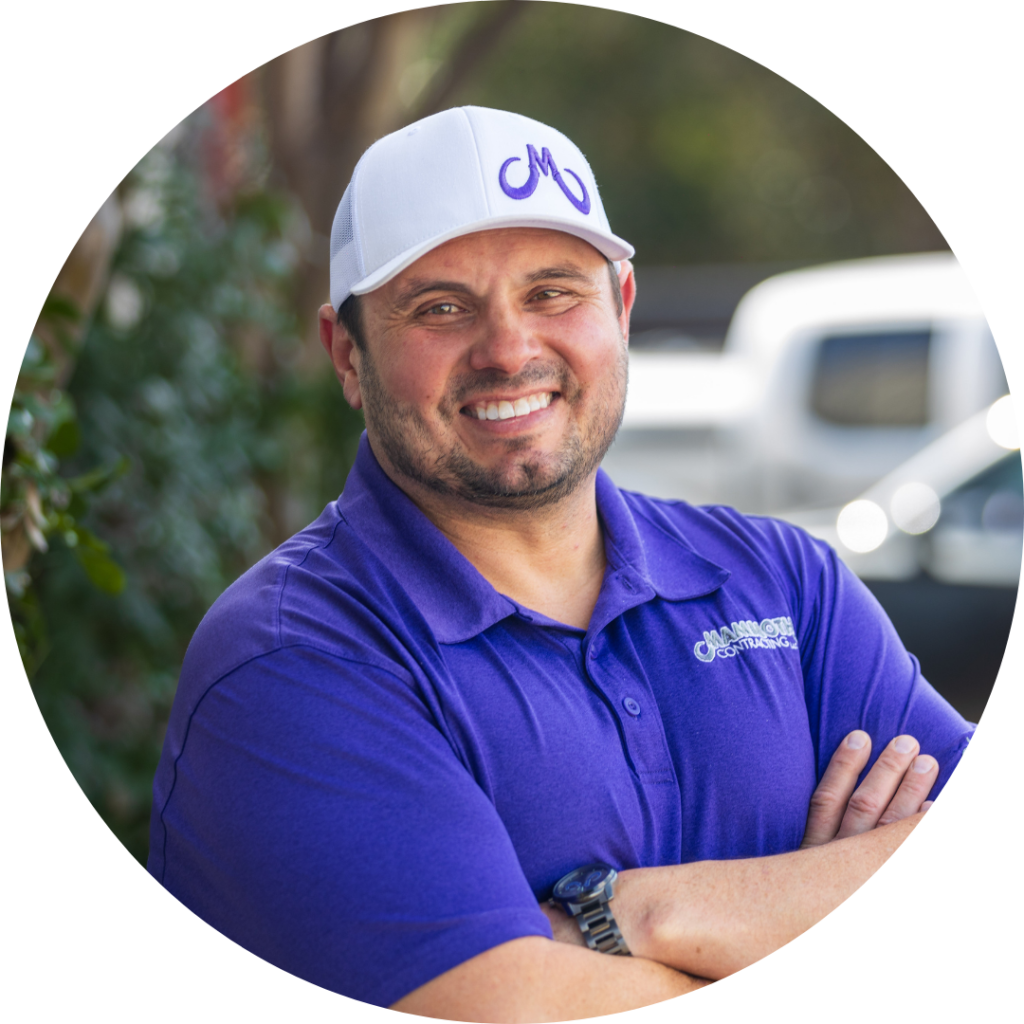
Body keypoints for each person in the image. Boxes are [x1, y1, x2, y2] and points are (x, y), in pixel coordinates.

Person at [147, 107, 974, 1018]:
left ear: (621, 308)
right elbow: (509, 1010)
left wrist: (635, 913)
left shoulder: (783, 583)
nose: (509, 351)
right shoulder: (293, 660)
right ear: (348, 355)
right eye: (441, 308)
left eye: (552, 293)